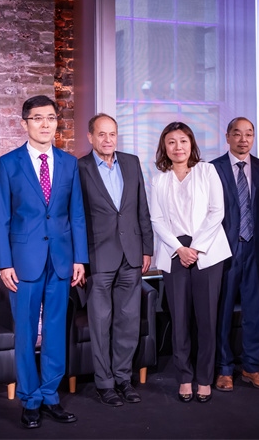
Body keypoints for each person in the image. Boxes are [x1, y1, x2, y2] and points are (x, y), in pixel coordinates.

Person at [0, 95, 88, 429]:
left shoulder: (69, 163)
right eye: (38, 118)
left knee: (55, 330)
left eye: (51, 118)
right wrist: (4, 263)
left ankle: (50, 395)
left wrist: (80, 258)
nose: (45, 124)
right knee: (25, 332)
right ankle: (30, 399)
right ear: (25, 123)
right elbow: (2, 216)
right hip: (23, 261)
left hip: (61, 260)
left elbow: (76, 214)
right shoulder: (7, 164)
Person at [149, 122, 231, 403]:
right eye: (171, 142)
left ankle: (205, 378)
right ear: (164, 147)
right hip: (174, 254)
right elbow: (157, 220)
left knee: (206, 320)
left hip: (206, 252)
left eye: (183, 141)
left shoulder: (207, 171)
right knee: (180, 320)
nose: (178, 147)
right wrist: (179, 249)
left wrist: (194, 248)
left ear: (191, 144)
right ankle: (185, 377)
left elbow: (217, 211)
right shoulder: (159, 180)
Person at [78, 114, 154, 407]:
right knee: (100, 324)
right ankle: (105, 384)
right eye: (101, 134)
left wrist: (147, 248)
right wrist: (78, 259)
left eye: (112, 134)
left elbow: (141, 208)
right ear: (90, 137)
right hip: (98, 256)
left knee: (129, 321)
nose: (108, 140)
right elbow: (76, 217)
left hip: (131, 254)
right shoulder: (79, 168)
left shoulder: (131, 163)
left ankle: (124, 379)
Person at [211, 117, 259, 391]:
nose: (243, 139)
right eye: (237, 134)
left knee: (253, 310)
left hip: (254, 248)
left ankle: (252, 367)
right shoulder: (213, 168)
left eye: (249, 134)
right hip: (224, 249)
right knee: (223, 310)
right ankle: (224, 368)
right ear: (227, 137)